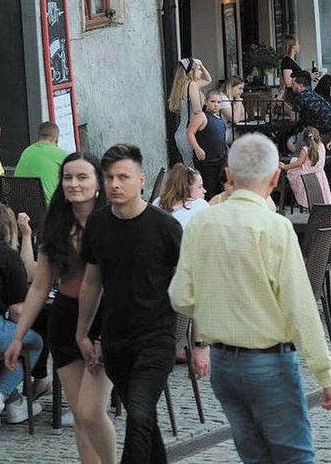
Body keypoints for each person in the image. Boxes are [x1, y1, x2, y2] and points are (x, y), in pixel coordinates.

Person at [169, 134, 331, 464]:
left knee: (254, 456)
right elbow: (300, 308)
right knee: (294, 456)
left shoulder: (202, 222)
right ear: (276, 178)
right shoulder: (274, 227)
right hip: (269, 360)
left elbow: (180, 296)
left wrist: (219, 306)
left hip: (224, 365)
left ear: (228, 175)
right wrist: (325, 374)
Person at [75, 144, 191, 464]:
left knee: (139, 414)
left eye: (123, 177)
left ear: (141, 180)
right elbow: (91, 283)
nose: (114, 184)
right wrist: (84, 334)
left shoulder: (165, 228)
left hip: (156, 338)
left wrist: (201, 340)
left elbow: (191, 282)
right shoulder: (98, 225)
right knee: (145, 420)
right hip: (116, 341)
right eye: (109, 177)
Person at [5, 153, 116, 459]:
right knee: (80, 416)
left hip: (105, 321)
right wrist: (18, 336)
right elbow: (40, 286)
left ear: (98, 184)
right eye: (68, 177)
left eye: (82, 177)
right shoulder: (56, 227)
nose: (73, 183)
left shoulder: (113, 224)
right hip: (65, 319)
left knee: (92, 412)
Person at [0, 203, 43, 433]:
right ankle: (0, 396)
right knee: (35, 343)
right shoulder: (7, 257)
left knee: (2, 351)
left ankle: (13, 404)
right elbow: (18, 310)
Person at [167, 58, 212, 167]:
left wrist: (200, 64)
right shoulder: (192, 85)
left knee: (189, 167)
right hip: (189, 133)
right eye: (199, 69)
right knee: (193, 171)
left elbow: (208, 79)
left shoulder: (183, 85)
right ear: (191, 72)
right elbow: (197, 110)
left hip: (181, 132)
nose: (201, 72)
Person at [187, 90, 229, 199]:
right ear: (206, 102)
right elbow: (190, 132)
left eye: (219, 102)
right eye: (213, 101)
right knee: (208, 189)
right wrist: (197, 148)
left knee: (219, 188)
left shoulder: (219, 119)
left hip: (220, 159)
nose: (216, 105)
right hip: (207, 161)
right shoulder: (202, 116)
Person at [14, 121, 69, 203]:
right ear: (57, 139)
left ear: (38, 137)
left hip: (21, 204)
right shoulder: (61, 154)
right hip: (48, 207)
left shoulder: (27, 150)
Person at [281, 127, 331, 210]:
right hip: (319, 175)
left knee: (292, 172)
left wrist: (285, 166)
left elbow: (298, 163)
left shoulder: (305, 150)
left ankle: (304, 205)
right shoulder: (321, 146)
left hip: (306, 176)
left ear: (303, 140)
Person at [152, 164, 209, 229]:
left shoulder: (157, 202)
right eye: (200, 187)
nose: (204, 191)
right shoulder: (201, 205)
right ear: (186, 189)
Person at [289, 71, 331, 140]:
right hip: (330, 132)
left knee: (290, 141)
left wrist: (283, 105)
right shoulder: (313, 94)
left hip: (318, 134)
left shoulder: (301, 96)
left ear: (300, 86)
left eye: (293, 84)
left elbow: (293, 118)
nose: (291, 86)